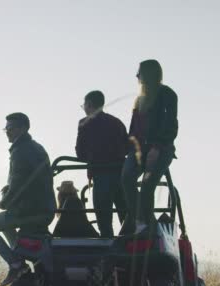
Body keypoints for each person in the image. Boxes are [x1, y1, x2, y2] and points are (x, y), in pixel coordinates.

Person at [0, 112, 56, 286]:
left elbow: (19, 185)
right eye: (6, 128)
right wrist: (10, 190)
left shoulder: (20, 151)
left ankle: (16, 264)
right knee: (6, 226)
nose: (7, 131)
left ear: (23, 128)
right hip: (46, 209)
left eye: (11, 128)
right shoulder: (36, 147)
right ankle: (19, 259)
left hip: (30, 211)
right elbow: (31, 181)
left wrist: (4, 202)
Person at [121, 59, 178, 234]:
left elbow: (171, 124)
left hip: (160, 148)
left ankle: (146, 226)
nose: (137, 76)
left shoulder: (167, 94)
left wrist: (157, 146)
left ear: (149, 73)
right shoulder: (140, 99)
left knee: (147, 185)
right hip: (139, 151)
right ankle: (141, 220)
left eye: (139, 72)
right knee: (126, 177)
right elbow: (134, 127)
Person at [75, 90, 128, 237]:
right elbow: (127, 148)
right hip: (121, 174)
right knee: (126, 215)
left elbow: (80, 153)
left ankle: (108, 251)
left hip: (100, 174)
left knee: (104, 220)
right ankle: (129, 248)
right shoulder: (117, 122)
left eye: (84, 105)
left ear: (89, 105)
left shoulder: (84, 123)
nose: (84, 108)